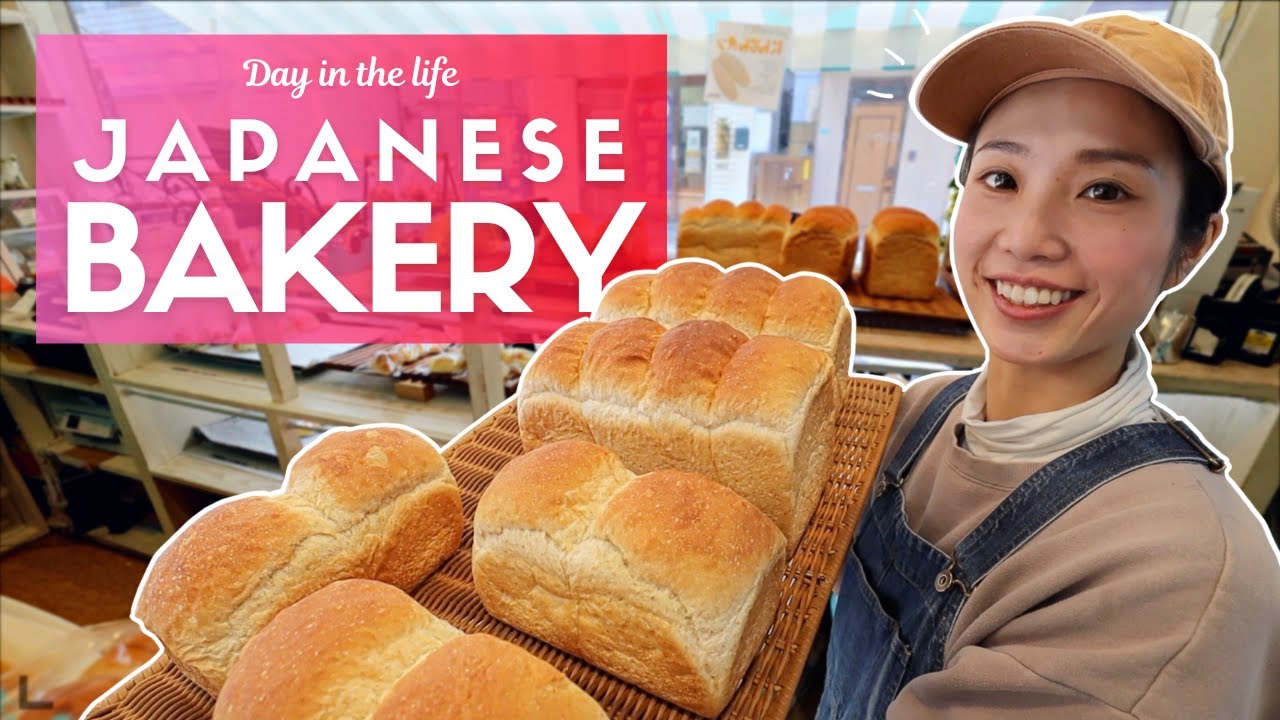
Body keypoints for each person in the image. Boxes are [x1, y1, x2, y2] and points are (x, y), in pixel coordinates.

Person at [818, 12, 1280, 720]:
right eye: (1000, 177)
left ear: (1193, 245)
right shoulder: (917, 416)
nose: (1027, 238)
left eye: (1105, 190)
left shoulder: (1180, 579)